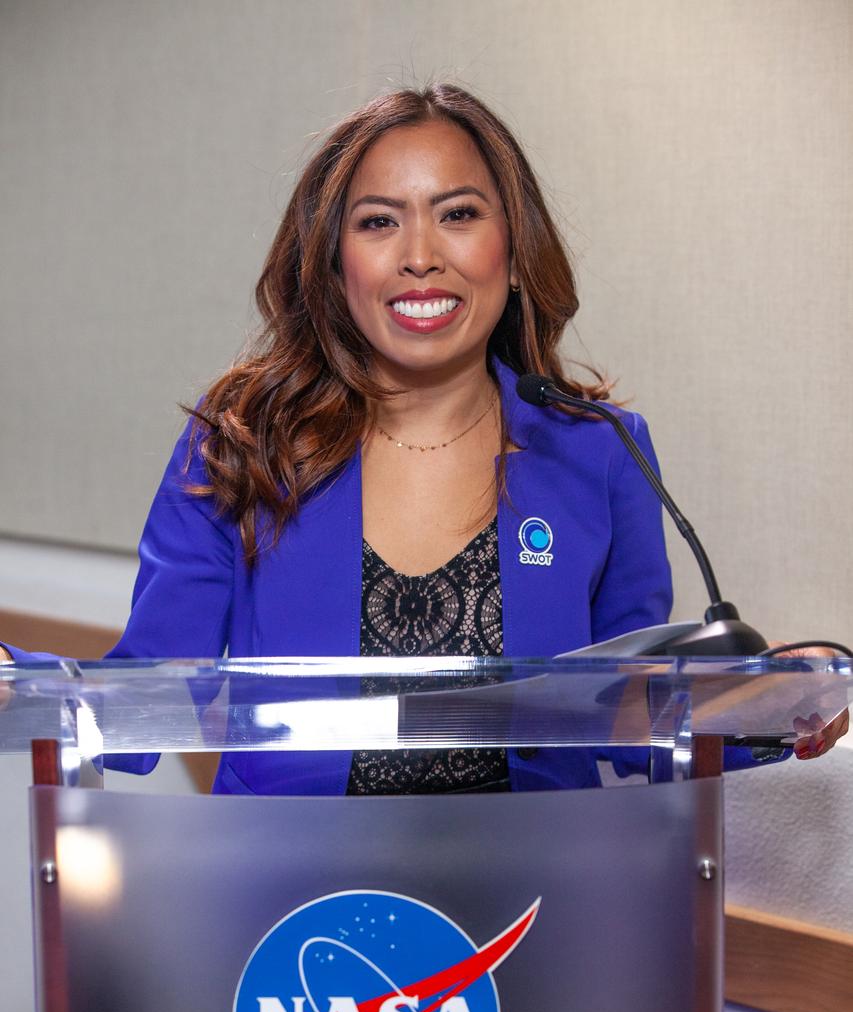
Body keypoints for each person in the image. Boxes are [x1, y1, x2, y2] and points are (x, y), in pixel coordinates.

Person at [0, 84, 847, 788]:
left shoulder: (600, 449)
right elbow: (147, 691)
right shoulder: (241, 442)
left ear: (513, 248)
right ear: (333, 263)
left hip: (541, 903)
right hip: (289, 911)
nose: (419, 256)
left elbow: (632, 719)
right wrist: (16, 682)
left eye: (458, 214)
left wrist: (765, 714)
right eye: (378, 222)